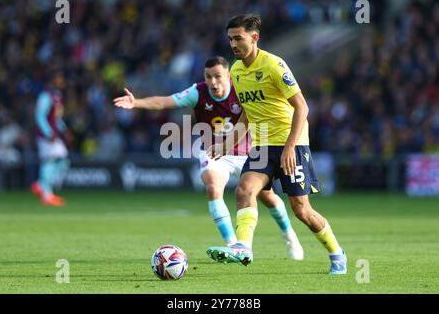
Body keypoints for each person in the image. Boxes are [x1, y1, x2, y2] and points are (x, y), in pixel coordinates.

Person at [113, 56, 304, 260]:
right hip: (215, 152)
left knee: (267, 197)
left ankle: (289, 235)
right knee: (213, 187)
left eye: (218, 77)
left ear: (228, 76)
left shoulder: (242, 89)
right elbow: (164, 102)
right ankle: (233, 245)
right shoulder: (198, 92)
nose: (213, 82)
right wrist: (136, 103)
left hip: (247, 151)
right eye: (208, 77)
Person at [206, 15, 347, 274]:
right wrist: (227, 143)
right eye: (230, 39)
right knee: (244, 190)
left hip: (291, 145)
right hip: (261, 146)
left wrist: (291, 147)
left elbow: (302, 107)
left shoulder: (273, 65)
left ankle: (337, 252)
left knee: (302, 211)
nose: (233, 44)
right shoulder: (236, 70)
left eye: (238, 38)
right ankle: (243, 248)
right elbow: (247, 114)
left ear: (254, 38)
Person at [31, 71, 70, 207]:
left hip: (55, 135)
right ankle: (47, 195)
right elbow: (40, 116)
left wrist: (64, 129)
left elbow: (56, 117)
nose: (62, 80)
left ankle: (41, 185)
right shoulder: (45, 96)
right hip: (46, 137)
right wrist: (48, 132)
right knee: (49, 161)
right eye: (60, 78)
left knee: (64, 161)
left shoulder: (57, 96)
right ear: (53, 80)